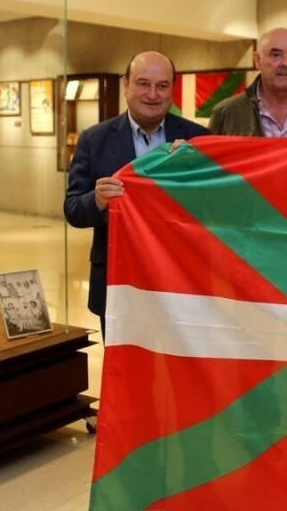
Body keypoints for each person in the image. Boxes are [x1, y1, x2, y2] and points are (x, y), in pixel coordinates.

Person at [64, 51, 210, 337]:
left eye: (162, 86)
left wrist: (192, 171)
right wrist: (97, 200)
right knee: (125, 376)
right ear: (125, 84)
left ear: (172, 88)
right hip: (117, 284)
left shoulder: (198, 139)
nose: (153, 94)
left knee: (178, 378)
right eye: (143, 84)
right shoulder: (94, 139)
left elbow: (214, 207)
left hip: (180, 283)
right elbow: (72, 209)